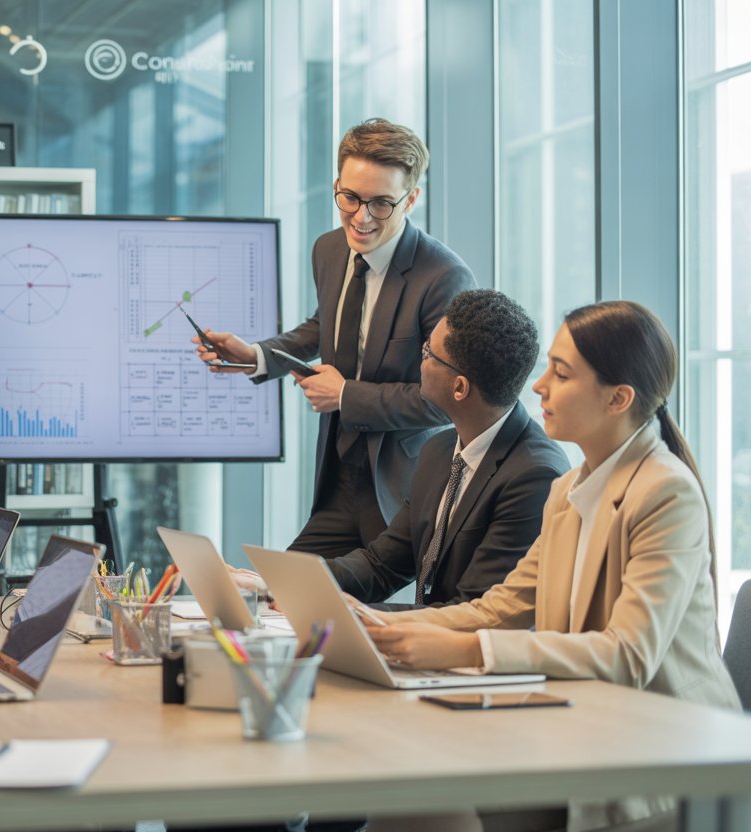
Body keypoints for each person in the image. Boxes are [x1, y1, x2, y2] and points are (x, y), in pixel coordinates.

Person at [363, 301, 741, 832]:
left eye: (560, 374)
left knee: (440, 796)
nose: (538, 387)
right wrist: (379, 625)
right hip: (589, 726)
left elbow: (628, 655)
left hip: (669, 753)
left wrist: (469, 649)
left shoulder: (665, 494)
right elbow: (505, 607)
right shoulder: (568, 490)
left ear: (618, 399)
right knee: (420, 790)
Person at [196, 118, 475, 557]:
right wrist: (258, 354)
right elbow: (327, 324)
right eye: (350, 198)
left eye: (382, 203)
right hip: (338, 478)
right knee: (287, 597)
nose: (361, 217)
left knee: (322, 607)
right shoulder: (329, 249)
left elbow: (443, 400)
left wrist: (346, 395)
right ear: (337, 186)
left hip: (401, 490)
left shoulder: (443, 277)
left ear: (411, 199)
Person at [326, 290, 569, 609]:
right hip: (429, 642)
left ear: (460, 388)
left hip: (476, 652)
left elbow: (473, 609)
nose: (420, 359)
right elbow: (381, 565)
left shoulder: (534, 477)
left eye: (428, 353)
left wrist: (355, 616)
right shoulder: (439, 450)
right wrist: (284, 584)